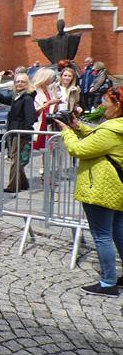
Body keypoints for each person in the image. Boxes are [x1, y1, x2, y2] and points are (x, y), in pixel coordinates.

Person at [57, 86, 123, 297]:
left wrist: (67, 132)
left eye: (106, 103)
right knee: (118, 231)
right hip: (116, 187)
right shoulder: (116, 128)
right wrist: (78, 127)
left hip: (101, 188)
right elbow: (98, 138)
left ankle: (108, 283)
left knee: (102, 236)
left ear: (117, 105)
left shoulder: (111, 130)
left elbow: (78, 149)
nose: (102, 106)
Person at [0, 73, 37, 192]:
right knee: (16, 158)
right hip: (14, 131)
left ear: (27, 84)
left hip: (20, 133)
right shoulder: (16, 96)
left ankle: (13, 186)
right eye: (17, 81)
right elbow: (3, 99)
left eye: (22, 81)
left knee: (15, 159)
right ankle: (23, 184)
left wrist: (24, 133)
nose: (19, 83)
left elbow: (30, 118)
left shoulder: (27, 98)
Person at [31, 68, 59, 150]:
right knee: (37, 148)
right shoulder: (34, 91)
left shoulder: (49, 90)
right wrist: (48, 104)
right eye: (51, 78)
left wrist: (56, 104)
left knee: (47, 149)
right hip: (38, 123)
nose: (52, 80)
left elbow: (51, 108)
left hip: (47, 122)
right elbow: (33, 110)